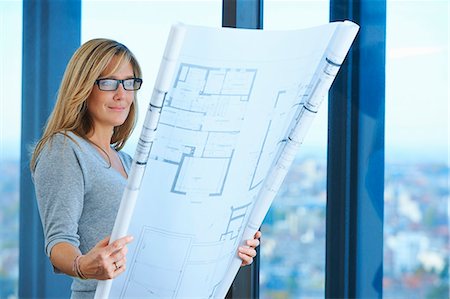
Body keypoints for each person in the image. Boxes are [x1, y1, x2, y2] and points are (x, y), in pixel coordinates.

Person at [31, 38, 261, 299]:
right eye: (108, 82)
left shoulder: (128, 163)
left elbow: (159, 242)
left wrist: (227, 248)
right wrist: (82, 266)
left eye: (130, 82)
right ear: (83, 87)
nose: (122, 94)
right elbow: (59, 241)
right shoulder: (63, 148)